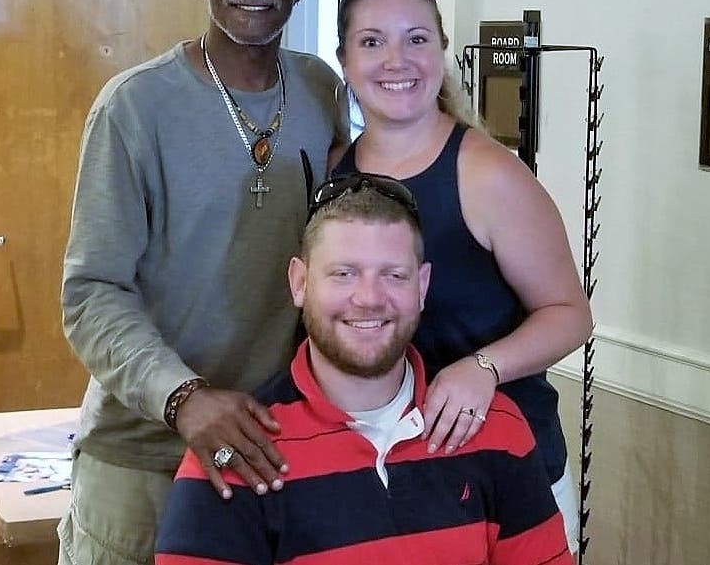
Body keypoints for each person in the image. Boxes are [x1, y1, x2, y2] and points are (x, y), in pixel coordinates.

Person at [58, 0, 348, 565]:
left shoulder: (321, 90)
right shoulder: (135, 106)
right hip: (142, 455)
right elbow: (91, 293)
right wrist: (183, 397)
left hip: (272, 448)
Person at [155, 176, 573, 565]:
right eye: (343, 273)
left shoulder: (495, 428)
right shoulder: (238, 449)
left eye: (393, 275)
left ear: (422, 287)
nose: (369, 298)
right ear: (299, 283)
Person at [332, 0, 593, 552]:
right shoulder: (336, 175)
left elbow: (569, 313)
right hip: (390, 479)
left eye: (416, 38)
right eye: (372, 41)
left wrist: (484, 367)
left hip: (507, 474)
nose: (396, 60)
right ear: (345, 61)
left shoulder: (487, 173)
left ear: (442, 51)